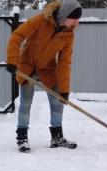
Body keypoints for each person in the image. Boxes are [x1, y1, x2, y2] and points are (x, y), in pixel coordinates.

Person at [5, 0, 82, 152]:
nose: (77, 22)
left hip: (47, 68)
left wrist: (64, 90)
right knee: (26, 104)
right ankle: (22, 138)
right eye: (74, 19)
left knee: (57, 103)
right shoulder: (40, 20)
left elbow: (64, 62)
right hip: (27, 66)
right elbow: (17, 36)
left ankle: (57, 137)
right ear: (65, 15)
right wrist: (12, 61)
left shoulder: (68, 34)